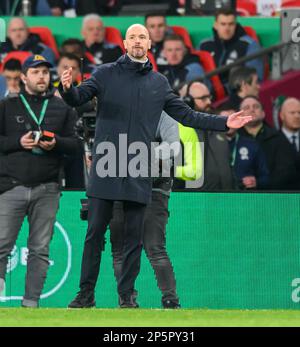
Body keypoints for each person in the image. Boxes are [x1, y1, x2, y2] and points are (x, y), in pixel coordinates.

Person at [59, 23, 251, 309]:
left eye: (142, 37)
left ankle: (126, 298)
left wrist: (223, 121)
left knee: (134, 239)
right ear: (125, 43)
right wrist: (66, 88)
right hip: (106, 165)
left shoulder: (159, 83)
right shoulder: (105, 73)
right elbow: (78, 98)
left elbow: (187, 116)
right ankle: (85, 294)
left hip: (139, 168)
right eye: (133, 36)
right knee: (95, 233)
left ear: (149, 44)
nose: (138, 41)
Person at [0, 54, 79, 307]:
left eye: (45, 72)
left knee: (40, 249)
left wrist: (56, 143)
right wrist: (17, 142)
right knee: (1, 245)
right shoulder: (7, 106)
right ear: (23, 77)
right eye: (35, 72)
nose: (41, 76)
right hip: (12, 184)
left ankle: (31, 304)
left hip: (47, 187)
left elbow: (76, 145)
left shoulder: (62, 107)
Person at [110, 111, 182, 308]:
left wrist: (140, 154)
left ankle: (170, 299)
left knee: (154, 247)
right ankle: (126, 299)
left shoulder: (162, 116)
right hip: (119, 186)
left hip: (154, 188)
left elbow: (173, 147)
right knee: (120, 251)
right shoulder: (116, 114)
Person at [174, 81, 236, 191]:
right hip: (196, 202)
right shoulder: (180, 131)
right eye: (203, 98)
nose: (209, 102)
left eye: (209, 97)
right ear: (188, 101)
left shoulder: (218, 128)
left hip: (227, 200)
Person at [239, 96, 298, 190]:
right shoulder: (235, 139)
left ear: (263, 113)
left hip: (274, 195)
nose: (252, 110)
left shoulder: (278, 138)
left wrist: (260, 182)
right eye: (246, 108)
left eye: (256, 107)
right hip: (240, 196)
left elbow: (287, 172)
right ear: (239, 115)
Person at [199, 8, 264, 85]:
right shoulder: (204, 45)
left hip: (235, 91)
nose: (227, 28)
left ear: (235, 25)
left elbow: (255, 79)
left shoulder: (249, 45)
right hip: (207, 90)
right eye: (223, 24)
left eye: (231, 24)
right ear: (216, 25)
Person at [220, 108, 269, 190]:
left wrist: (256, 182)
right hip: (216, 195)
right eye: (224, 119)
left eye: (233, 119)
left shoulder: (252, 145)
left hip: (245, 195)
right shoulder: (210, 145)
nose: (229, 123)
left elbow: (265, 176)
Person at [279, 97, 300, 189]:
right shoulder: (271, 142)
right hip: (284, 197)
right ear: (282, 116)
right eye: (292, 113)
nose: (297, 116)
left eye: (299, 112)